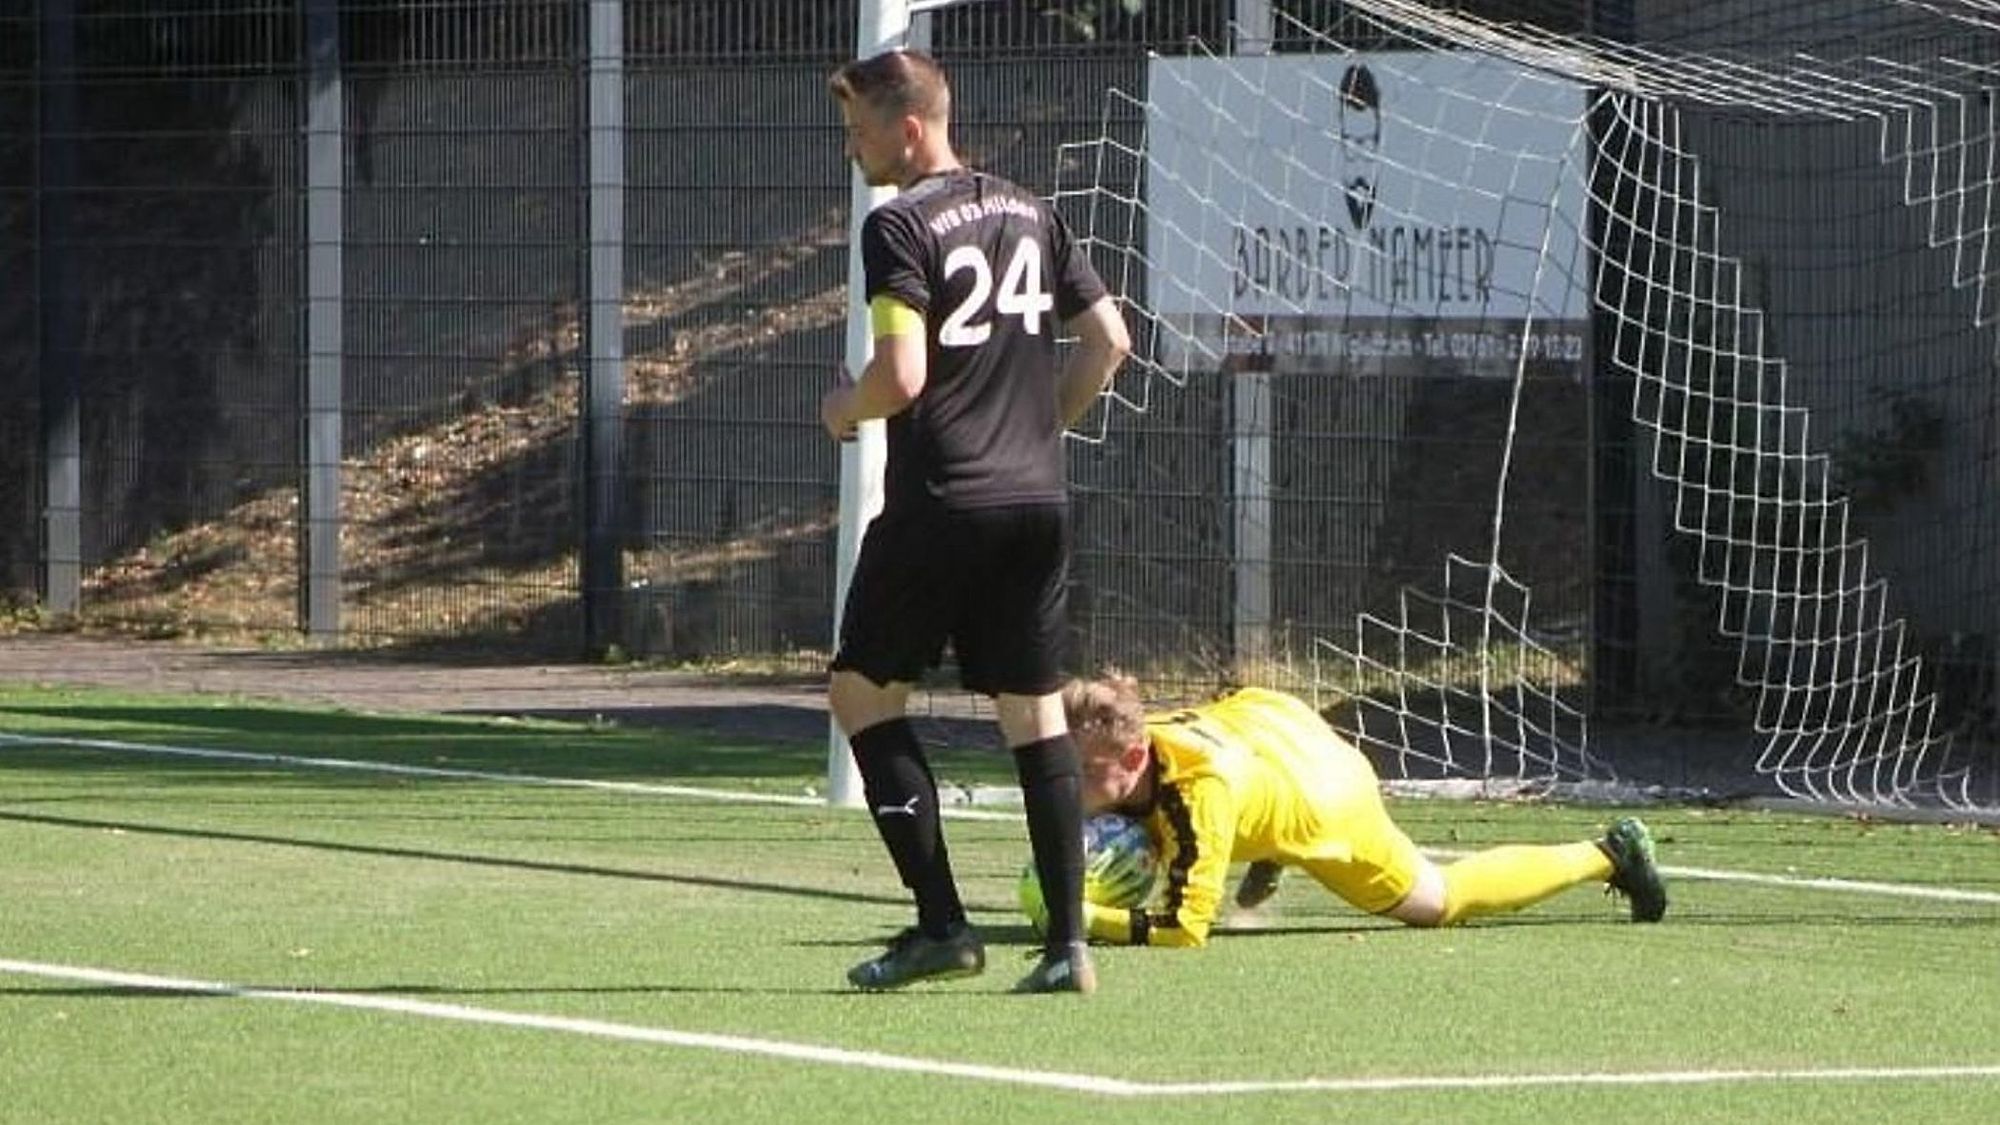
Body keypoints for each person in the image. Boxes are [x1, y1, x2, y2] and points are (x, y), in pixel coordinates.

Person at [822, 49, 1132, 993]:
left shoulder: (899, 224)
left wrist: (845, 409)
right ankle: (1067, 946)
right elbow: (1110, 339)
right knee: (1033, 714)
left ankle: (943, 926)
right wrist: (1040, 429)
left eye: (860, 130)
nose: (853, 149)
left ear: (908, 128)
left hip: (944, 501)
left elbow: (901, 377)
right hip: (1035, 500)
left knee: (862, 696)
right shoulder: (1032, 209)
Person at [1023, 671, 1667, 947]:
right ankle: (1267, 845)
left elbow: (1185, 930)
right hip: (1268, 720)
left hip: (1328, 797)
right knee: (1181, 830)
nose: (1063, 782)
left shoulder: (1197, 797)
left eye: (1080, 772)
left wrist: (1083, 917)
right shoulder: (1134, 733)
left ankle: (1608, 854)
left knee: (1437, 903)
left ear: (1133, 762)